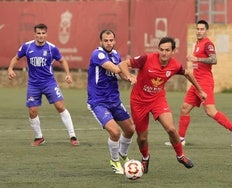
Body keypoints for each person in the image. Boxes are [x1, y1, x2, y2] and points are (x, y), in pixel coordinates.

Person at [118, 37, 207, 173]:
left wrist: (200, 90)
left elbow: (187, 74)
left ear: (173, 51)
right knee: (142, 138)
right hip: (138, 102)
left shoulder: (175, 65)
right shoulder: (146, 59)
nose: (164, 53)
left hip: (158, 100)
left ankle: (180, 156)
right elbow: (123, 64)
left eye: (167, 50)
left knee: (171, 129)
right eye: (161, 50)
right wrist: (130, 76)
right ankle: (145, 157)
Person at [8, 23, 79, 147]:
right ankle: (39, 137)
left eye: (43, 33)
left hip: (49, 83)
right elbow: (15, 58)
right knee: (32, 111)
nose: (41, 36)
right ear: (34, 34)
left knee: (60, 106)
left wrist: (68, 74)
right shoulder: (27, 46)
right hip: (33, 84)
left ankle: (73, 136)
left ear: (46, 34)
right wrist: (10, 69)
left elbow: (62, 60)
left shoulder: (52, 48)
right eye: (38, 33)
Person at [178, 20, 232, 147]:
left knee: (210, 111)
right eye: (197, 29)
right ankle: (180, 140)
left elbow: (214, 60)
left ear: (206, 31)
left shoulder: (208, 44)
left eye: (202, 29)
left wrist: (197, 59)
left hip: (205, 82)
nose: (199, 31)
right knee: (185, 108)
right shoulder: (197, 44)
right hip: (195, 82)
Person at [87, 29, 135, 174]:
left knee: (130, 130)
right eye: (105, 40)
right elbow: (115, 69)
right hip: (98, 101)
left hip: (114, 100)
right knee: (115, 132)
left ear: (114, 41)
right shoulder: (98, 54)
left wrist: (130, 77)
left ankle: (123, 155)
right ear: (100, 42)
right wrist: (130, 76)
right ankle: (114, 161)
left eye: (111, 40)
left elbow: (121, 72)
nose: (108, 43)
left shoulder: (115, 54)